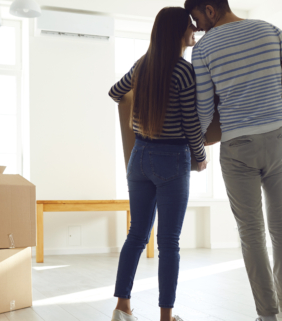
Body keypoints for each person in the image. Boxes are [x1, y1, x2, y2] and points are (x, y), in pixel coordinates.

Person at [184, 1, 282, 320]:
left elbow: (205, 107)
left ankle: (267, 315)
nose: (196, 27)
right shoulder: (268, 30)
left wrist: (200, 142)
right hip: (278, 141)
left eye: (196, 18)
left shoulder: (204, 49)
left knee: (251, 234)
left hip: (237, 147)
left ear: (210, 9)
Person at [107, 7, 207, 321]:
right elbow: (191, 122)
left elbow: (115, 93)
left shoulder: (142, 66)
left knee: (136, 235)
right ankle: (166, 316)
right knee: (168, 242)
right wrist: (201, 157)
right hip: (172, 159)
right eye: (191, 26)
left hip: (139, 157)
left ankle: (122, 308)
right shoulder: (182, 70)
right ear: (178, 32)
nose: (195, 30)